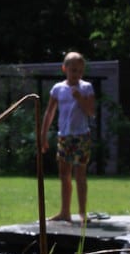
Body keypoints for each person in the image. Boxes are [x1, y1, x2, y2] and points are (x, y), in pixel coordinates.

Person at [40, 51, 96, 222]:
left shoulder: (86, 88)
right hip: (64, 136)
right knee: (64, 175)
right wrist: (43, 134)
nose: (76, 74)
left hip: (81, 136)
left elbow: (91, 112)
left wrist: (80, 98)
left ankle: (82, 212)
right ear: (64, 69)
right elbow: (49, 112)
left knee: (80, 175)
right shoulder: (58, 89)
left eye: (79, 71)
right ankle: (65, 212)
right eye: (73, 70)